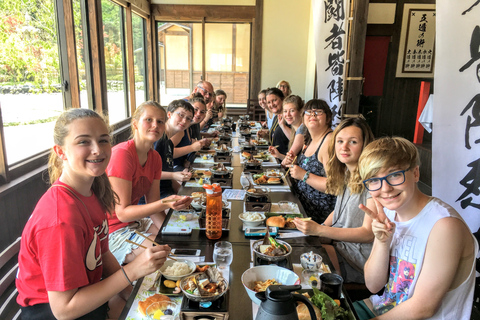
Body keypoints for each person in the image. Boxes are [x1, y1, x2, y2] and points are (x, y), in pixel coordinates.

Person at [16, 108, 171, 320]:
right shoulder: (61, 218)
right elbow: (64, 310)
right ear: (61, 151)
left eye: (103, 140)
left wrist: (134, 296)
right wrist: (132, 271)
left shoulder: (94, 191)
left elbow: (103, 254)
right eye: (83, 142)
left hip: (91, 295)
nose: (97, 149)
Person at [354, 137, 478, 320]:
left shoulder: (444, 225)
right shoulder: (388, 213)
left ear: (416, 173)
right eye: (374, 180)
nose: (385, 188)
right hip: (380, 309)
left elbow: (424, 308)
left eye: (394, 174)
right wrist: (382, 242)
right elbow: (373, 285)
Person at [107, 101, 191, 265]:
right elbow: (122, 213)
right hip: (112, 232)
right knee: (162, 251)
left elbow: (152, 203)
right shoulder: (122, 154)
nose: (155, 125)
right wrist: (166, 202)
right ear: (135, 124)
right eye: (149, 120)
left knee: (178, 239)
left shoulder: (155, 158)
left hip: (135, 223)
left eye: (160, 121)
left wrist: (167, 232)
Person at [293, 117, 376, 283]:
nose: (344, 147)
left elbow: (368, 234)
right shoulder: (346, 172)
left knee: (300, 262)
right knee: (298, 248)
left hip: (357, 258)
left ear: (365, 146)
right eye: (340, 141)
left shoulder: (373, 181)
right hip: (338, 243)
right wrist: (321, 228)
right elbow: (338, 211)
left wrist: (320, 231)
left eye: (352, 142)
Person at [288, 99, 336, 223]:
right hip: (301, 207)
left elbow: (334, 186)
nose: (312, 115)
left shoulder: (329, 141)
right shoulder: (310, 138)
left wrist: (304, 175)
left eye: (318, 112)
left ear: (328, 118)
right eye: (308, 112)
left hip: (318, 218)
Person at [154, 100, 194, 198]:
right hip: (156, 195)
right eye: (181, 115)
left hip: (167, 191)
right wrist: (173, 175)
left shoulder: (169, 143)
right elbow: (149, 174)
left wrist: (183, 193)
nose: (184, 121)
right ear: (169, 114)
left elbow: (168, 175)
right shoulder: (157, 140)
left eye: (189, 118)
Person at [172, 94, 211, 171]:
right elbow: (168, 153)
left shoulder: (189, 128)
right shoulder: (181, 129)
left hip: (184, 166)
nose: (198, 113)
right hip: (173, 170)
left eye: (202, 112)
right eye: (195, 109)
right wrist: (192, 148)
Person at [258, 88, 290, 157]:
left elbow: (295, 139)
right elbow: (274, 140)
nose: (272, 104)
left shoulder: (288, 119)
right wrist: (265, 136)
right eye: (269, 102)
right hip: (274, 158)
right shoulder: (276, 117)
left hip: (284, 161)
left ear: (282, 99)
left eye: (274, 100)